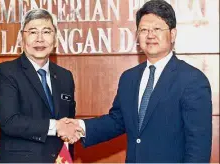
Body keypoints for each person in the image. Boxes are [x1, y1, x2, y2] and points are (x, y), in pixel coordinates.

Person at [62, 0, 212, 163]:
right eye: (144, 30)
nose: (150, 35)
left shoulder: (192, 80)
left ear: (173, 34)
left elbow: (198, 149)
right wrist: (80, 127)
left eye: (157, 29)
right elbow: (118, 121)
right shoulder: (129, 78)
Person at [0, 8, 81, 163]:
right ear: (21, 38)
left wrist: (71, 133)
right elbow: (10, 122)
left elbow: (68, 122)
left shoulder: (65, 76)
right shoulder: (6, 72)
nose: (40, 39)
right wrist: (56, 127)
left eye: (46, 32)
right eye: (33, 32)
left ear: (55, 38)